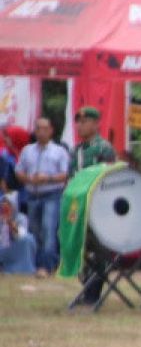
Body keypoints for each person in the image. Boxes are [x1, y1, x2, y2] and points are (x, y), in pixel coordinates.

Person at [68, 107, 117, 302]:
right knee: (82, 248)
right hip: (79, 208)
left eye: (85, 121)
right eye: (78, 121)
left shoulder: (103, 148)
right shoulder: (76, 150)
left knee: (98, 250)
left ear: (96, 124)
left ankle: (94, 290)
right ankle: (86, 286)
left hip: (98, 207)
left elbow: (108, 179)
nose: (80, 125)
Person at [14, 117, 69, 276]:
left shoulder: (59, 151)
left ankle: (47, 265)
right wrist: (29, 178)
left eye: (44, 128)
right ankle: (35, 264)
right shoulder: (27, 150)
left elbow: (65, 175)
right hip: (32, 194)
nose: (41, 132)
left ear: (51, 130)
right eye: (38, 128)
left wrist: (48, 178)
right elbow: (19, 171)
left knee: (48, 228)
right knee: (34, 230)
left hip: (52, 194)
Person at [0, 192, 36, 274]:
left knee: (29, 239)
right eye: (3, 205)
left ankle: (25, 268)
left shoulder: (21, 217)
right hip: (3, 247)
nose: (5, 207)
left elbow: (22, 235)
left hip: (16, 245)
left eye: (8, 205)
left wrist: (10, 224)